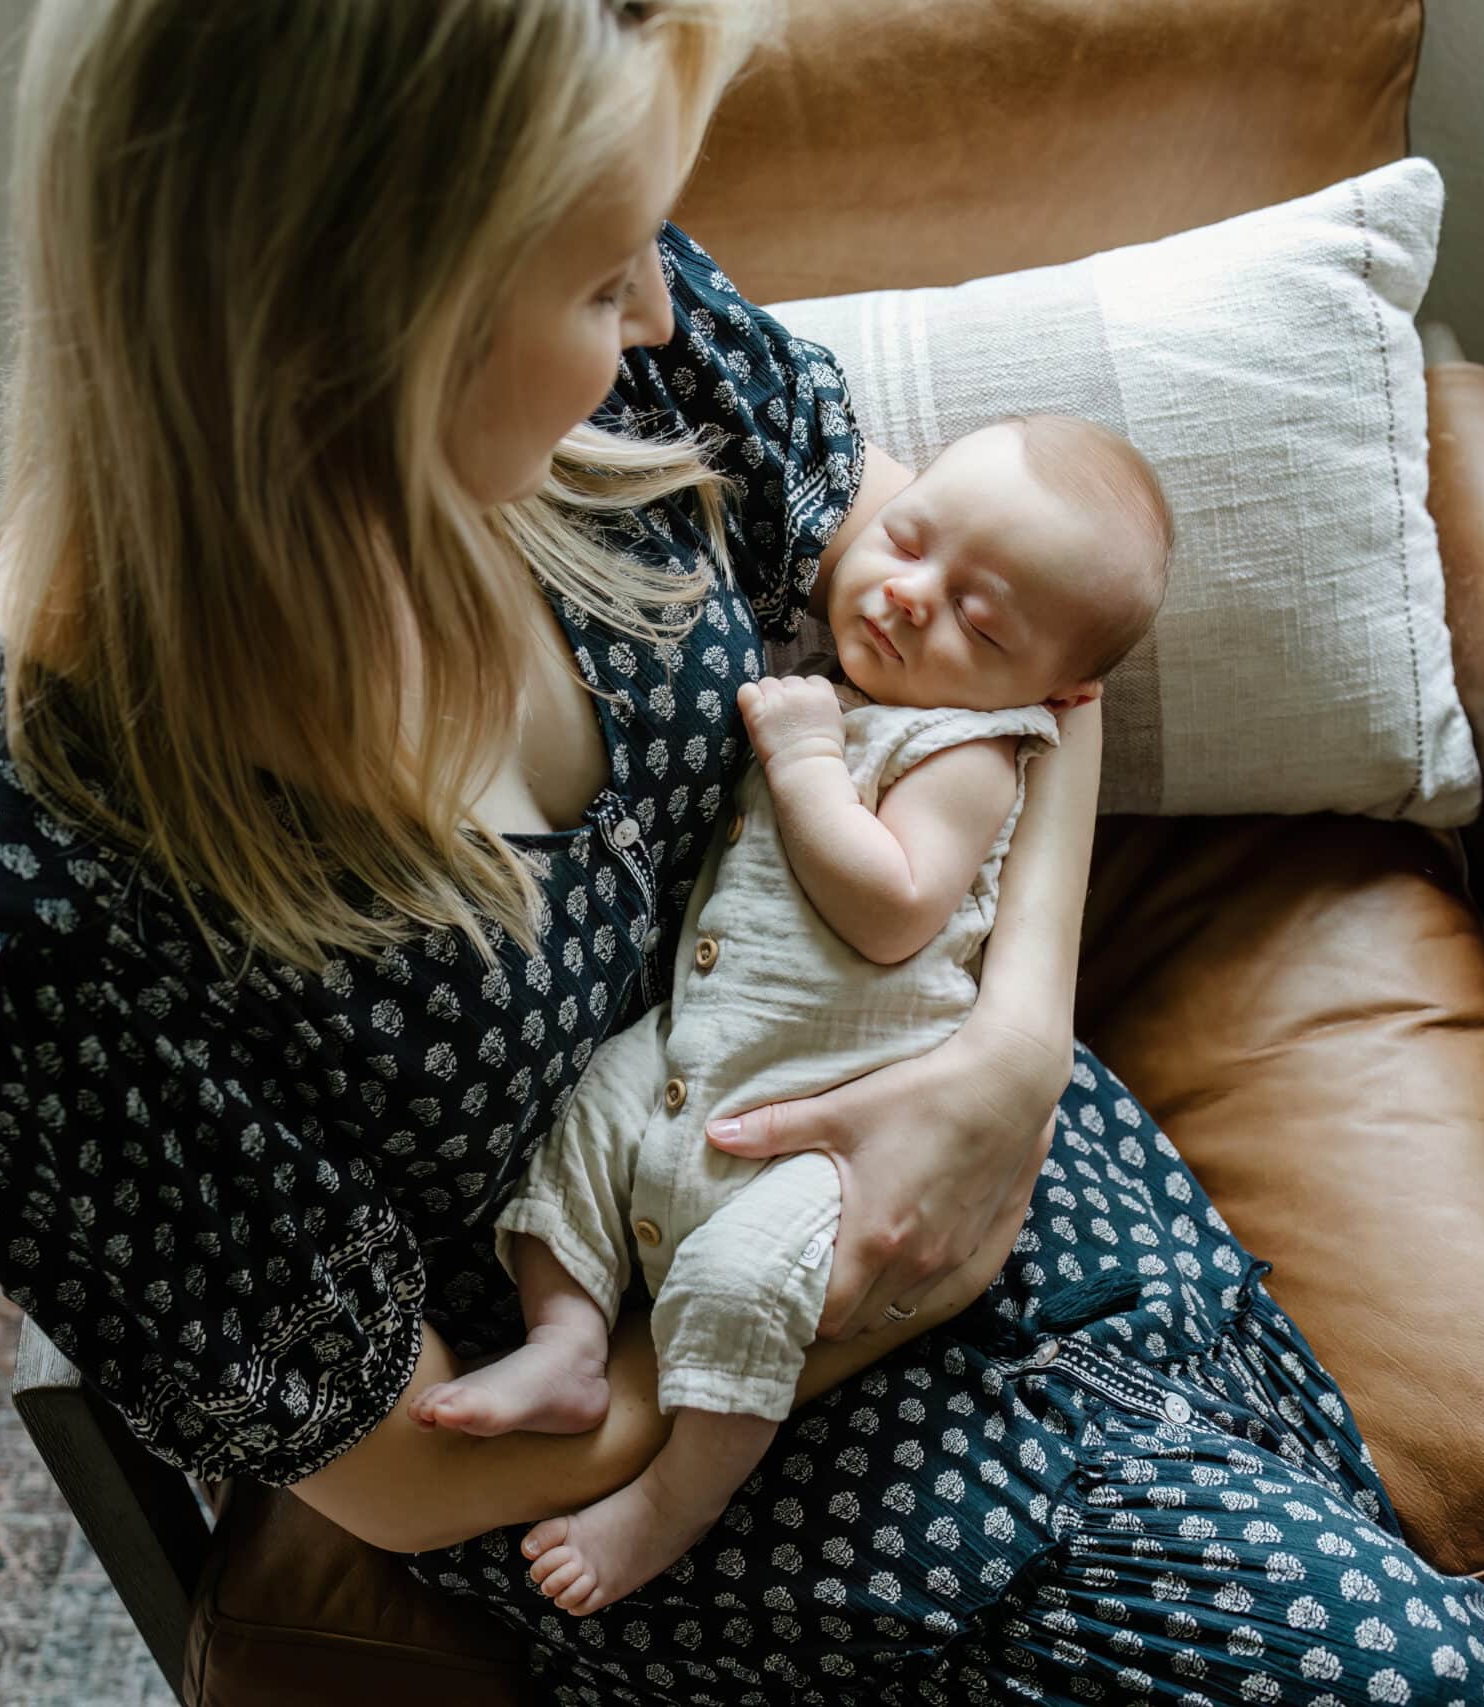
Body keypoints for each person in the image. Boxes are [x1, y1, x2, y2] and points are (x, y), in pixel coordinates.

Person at [0, 1, 1484, 1700]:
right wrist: (857, 1280)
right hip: (739, 1483)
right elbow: (412, 1473)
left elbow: (1028, 677)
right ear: (341, 327)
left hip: (1011, 1169)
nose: (657, 310)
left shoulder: (622, 385)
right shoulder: (18, 932)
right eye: (590, 272)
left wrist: (1017, 1058)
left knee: (1365, 1595)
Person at [409, 417, 1171, 1616]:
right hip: (692, 1062)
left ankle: (675, 1501)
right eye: (910, 541)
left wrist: (811, 766)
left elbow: (893, 908)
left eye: (982, 622)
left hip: (830, 1132)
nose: (914, 598)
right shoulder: (830, 657)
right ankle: (563, 1342)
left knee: (742, 1284)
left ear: (1057, 692)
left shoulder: (967, 746)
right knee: (587, 1116)